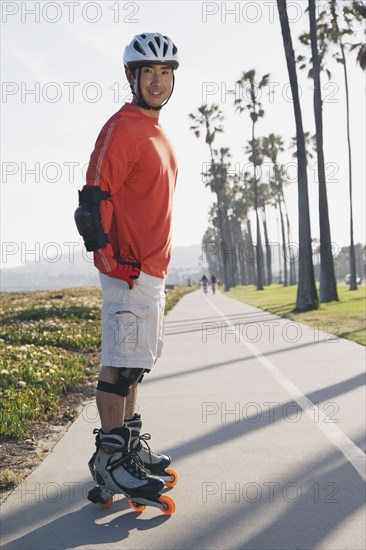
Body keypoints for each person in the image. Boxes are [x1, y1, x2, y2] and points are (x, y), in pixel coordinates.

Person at [74, 32, 179, 505]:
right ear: (130, 76)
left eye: (165, 71)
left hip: (151, 272)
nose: (157, 81)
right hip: (128, 271)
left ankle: (127, 451)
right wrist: (111, 262)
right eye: (148, 72)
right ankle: (111, 464)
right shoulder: (122, 127)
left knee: (134, 365)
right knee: (118, 365)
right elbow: (93, 201)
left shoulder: (157, 131)